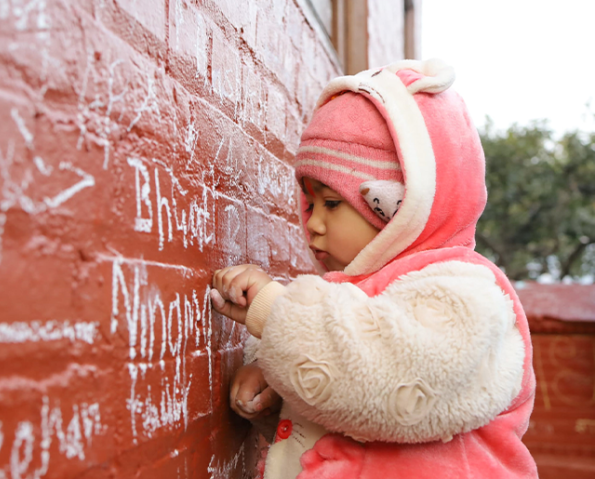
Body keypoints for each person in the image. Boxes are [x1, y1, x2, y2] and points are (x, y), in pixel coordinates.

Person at [210, 59, 537, 479]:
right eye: (309, 203)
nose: (312, 222)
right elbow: (351, 414)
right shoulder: (357, 295)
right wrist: (279, 392)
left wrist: (274, 314)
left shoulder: (467, 294)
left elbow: (392, 384)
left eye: (332, 203)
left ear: (400, 204)